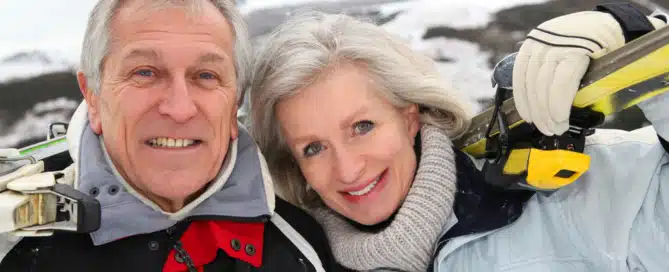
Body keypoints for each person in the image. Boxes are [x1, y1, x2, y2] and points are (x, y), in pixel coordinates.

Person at [247, 3, 668, 272]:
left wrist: (640, 43)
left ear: (409, 114)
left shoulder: (573, 200)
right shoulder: (296, 260)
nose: (348, 169)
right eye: (313, 148)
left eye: (362, 127)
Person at [0, 0, 340, 271]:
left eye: (206, 75)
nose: (180, 109)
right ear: (93, 97)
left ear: (235, 102)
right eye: (145, 72)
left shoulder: (301, 242)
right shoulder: (13, 240)